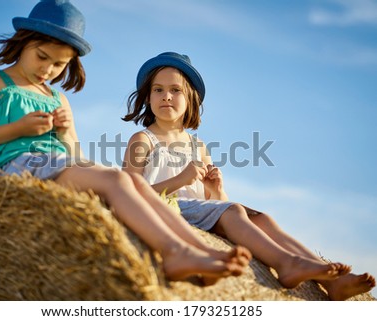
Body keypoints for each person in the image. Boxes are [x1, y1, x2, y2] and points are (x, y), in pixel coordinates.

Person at [0, 1, 252, 282]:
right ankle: (174, 252)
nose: (48, 69)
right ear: (23, 41)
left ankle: (194, 249)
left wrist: (65, 131)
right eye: (42, 56)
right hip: (9, 170)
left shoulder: (58, 99)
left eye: (58, 65)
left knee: (125, 181)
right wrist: (17, 128)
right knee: (116, 181)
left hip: (53, 167)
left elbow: (74, 155)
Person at [122, 51, 376, 299]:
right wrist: (179, 181)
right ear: (148, 97)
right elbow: (127, 194)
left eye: (175, 90)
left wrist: (216, 190)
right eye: (158, 89)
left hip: (194, 214)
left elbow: (213, 207)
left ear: (190, 99)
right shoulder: (143, 140)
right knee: (233, 212)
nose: (166, 96)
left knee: (261, 218)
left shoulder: (198, 147)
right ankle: (286, 263)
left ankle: (331, 281)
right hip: (164, 209)